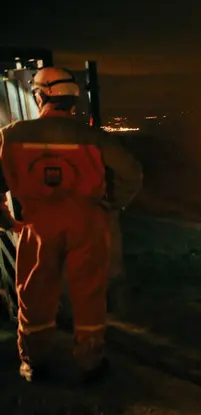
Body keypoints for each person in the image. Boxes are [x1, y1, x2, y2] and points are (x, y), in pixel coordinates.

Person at [0, 67, 143, 383]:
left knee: (34, 292)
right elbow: (131, 172)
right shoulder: (92, 136)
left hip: (37, 224)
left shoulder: (12, 135)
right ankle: (90, 362)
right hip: (86, 221)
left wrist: (6, 220)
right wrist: (110, 205)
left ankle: (34, 362)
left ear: (41, 96)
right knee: (89, 292)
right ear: (71, 101)